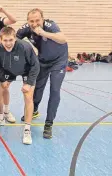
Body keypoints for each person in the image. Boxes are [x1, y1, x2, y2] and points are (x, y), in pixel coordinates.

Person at [17, 8, 68, 139]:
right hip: (42, 60)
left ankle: (48, 124)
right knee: (37, 88)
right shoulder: (26, 29)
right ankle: (34, 110)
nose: (34, 23)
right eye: (31, 21)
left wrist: (44, 33)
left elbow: (62, 39)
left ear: (43, 19)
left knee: (54, 90)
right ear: (28, 21)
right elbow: (14, 38)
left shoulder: (50, 25)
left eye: (37, 20)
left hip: (58, 61)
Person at [0, 26, 40, 145]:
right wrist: (3, 79)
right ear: (0, 39)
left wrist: (28, 83)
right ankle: (2, 116)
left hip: (26, 70)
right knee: (1, 89)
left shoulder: (25, 47)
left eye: (11, 40)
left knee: (28, 96)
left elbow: (35, 65)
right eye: (5, 40)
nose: (8, 43)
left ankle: (27, 129)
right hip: (8, 70)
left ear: (15, 39)